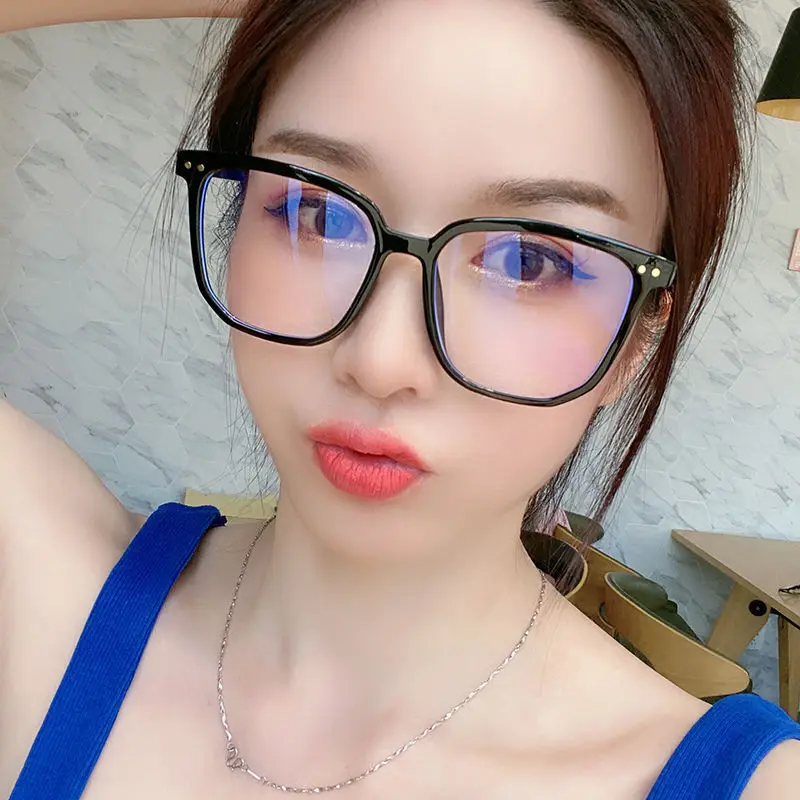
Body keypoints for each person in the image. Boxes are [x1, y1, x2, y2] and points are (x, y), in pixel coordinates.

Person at [1, 0, 798, 797]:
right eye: (317, 211)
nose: (381, 360)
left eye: (527, 261)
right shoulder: (38, 587)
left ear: (637, 341)